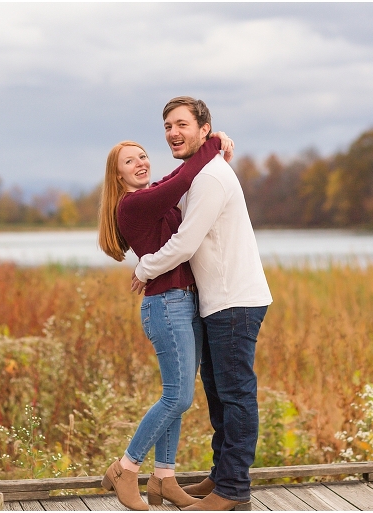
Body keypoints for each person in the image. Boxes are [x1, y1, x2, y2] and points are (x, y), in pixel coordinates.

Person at [132, 96, 272, 511]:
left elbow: (186, 242)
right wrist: (215, 142)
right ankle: (221, 476)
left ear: (203, 127)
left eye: (181, 125)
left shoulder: (211, 178)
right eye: (167, 127)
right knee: (219, 393)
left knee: (235, 394)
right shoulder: (200, 172)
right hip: (218, 301)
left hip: (234, 300)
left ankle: (233, 490)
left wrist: (145, 268)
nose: (173, 133)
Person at [97, 131, 234, 510]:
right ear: (117, 176)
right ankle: (126, 467)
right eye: (130, 161)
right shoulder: (132, 205)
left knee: (177, 398)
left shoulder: (151, 198)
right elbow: (184, 178)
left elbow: (188, 190)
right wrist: (214, 141)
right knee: (178, 397)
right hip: (166, 305)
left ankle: (164, 478)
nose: (140, 162)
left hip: (186, 303)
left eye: (142, 156)